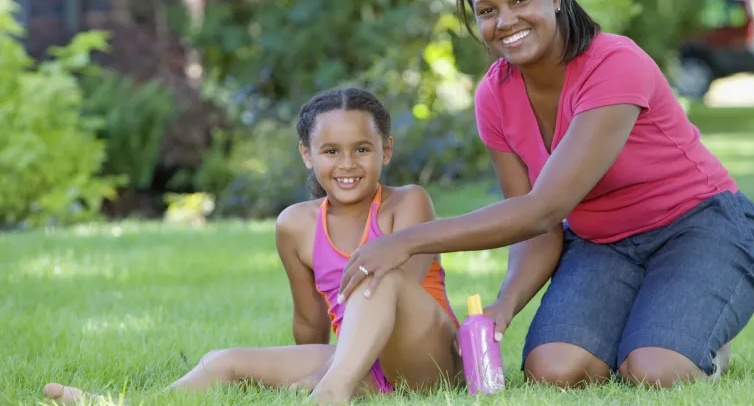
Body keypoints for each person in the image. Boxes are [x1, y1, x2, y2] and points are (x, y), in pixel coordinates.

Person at [336, 0, 754, 390]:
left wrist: (408, 241)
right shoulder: (494, 95)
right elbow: (535, 228)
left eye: (520, 0)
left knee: (653, 371)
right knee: (553, 370)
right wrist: (506, 303)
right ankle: (656, 323)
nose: (505, 20)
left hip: (698, 227)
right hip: (603, 245)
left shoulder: (615, 63)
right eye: (487, 11)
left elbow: (545, 207)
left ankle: (703, 344)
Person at [43, 86, 462, 405]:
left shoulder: (408, 203)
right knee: (223, 361)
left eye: (362, 149)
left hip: (428, 359)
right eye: (331, 151)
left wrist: (327, 375)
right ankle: (129, 404)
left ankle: (329, 394)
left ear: (385, 150)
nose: (347, 163)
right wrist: (317, 364)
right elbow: (308, 320)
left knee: (378, 277)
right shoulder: (296, 225)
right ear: (307, 155)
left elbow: (398, 290)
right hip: (358, 364)